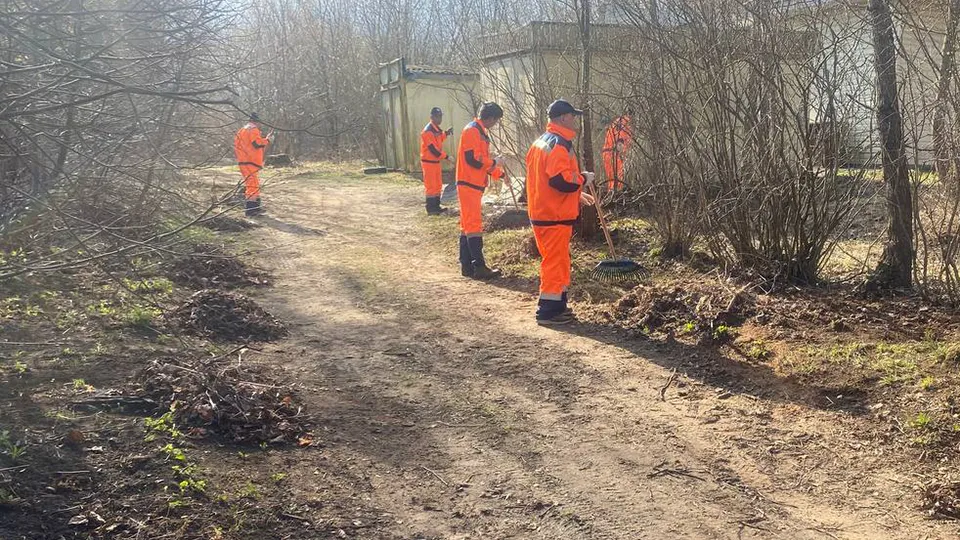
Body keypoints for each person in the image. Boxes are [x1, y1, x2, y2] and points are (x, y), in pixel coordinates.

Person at [525, 99, 596, 325]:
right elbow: (561, 180)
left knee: (558, 260)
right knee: (555, 263)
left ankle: (557, 306)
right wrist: (583, 179)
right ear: (564, 118)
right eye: (572, 117)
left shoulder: (541, 142)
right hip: (553, 215)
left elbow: (546, 182)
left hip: (545, 212)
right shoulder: (558, 144)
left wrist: (576, 195)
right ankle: (548, 311)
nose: (574, 121)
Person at [456, 102, 505, 279]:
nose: (496, 124)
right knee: (473, 225)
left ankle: (467, 266)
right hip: (468, 183)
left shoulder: (479, 131)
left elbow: (481, 162)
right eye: (496, 120)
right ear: (490, 118)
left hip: (473, 184)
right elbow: (473, 160)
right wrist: (494, 163)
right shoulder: (472, 131)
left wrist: (499, 173)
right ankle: (479, 267)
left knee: (467, 225)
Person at [233, 112, 273, 217]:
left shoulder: (242, 130)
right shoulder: (253, 129)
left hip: (243, 161)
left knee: (252, 184)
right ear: (257, 121)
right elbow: (256, 143)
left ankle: (255, 209)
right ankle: (251, 211)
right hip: (250, 161)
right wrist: (267, 140)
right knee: (252, 185)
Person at [420, 107, 455, 215]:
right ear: (432, 117)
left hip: (435, 162)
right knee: (431, 185)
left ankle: (436, 206)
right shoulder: (427, 131)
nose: (440, 119)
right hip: (428, 162)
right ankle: (431, 209)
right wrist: (447, 156)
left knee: (437, 185)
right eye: (437, 116)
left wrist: (446, 133)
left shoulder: (435, 129)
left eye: (440, 116)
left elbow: (439, 138)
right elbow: (433, 149)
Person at [601, 113, 632, 193]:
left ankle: (611, 195)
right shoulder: (625, 123)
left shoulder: (619, 122)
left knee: (612, 178)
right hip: (613, 154)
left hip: (608, 152)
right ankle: (614, 196)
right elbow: (620, 143)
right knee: (617, 178)